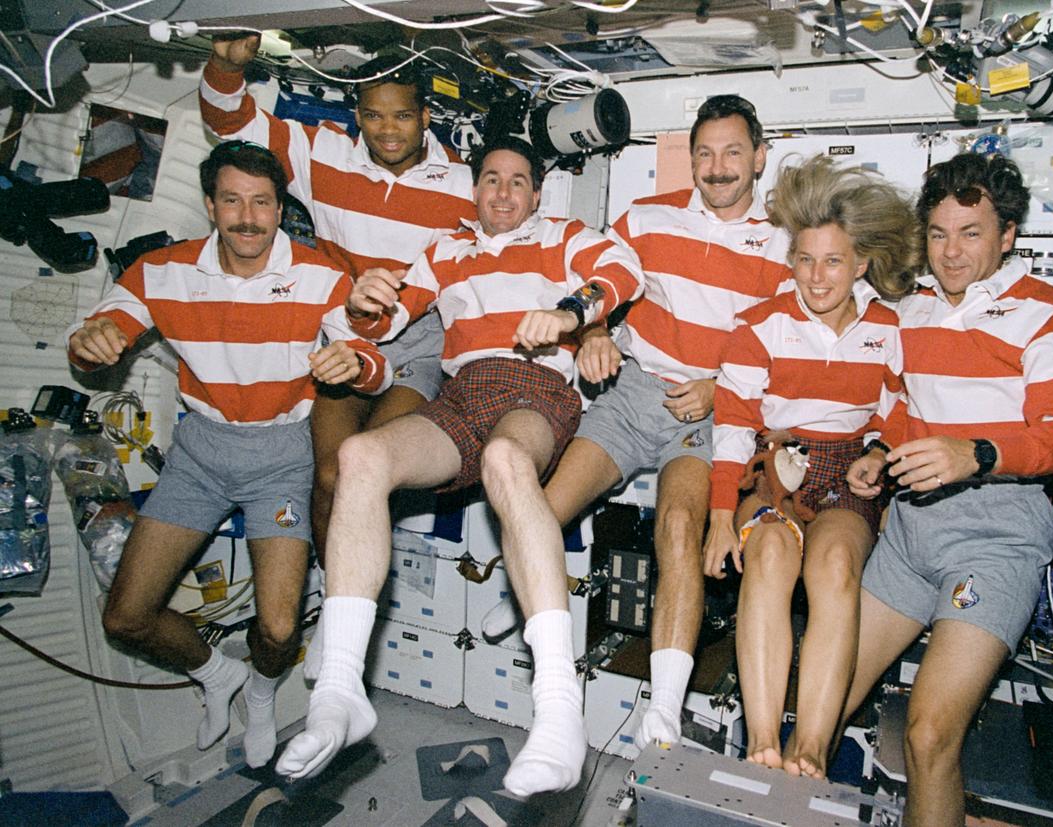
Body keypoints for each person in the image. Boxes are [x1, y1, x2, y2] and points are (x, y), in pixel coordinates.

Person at [275, 137, 643, 796]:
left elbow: (622, 269)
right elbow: (384, 320)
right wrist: (362, 303)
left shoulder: (563, 236)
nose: (504, 193)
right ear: (476, 190)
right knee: (358, 456)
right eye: (492, 180)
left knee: (506, 458)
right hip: (461, 393)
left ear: (536, 194)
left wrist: (569, 313)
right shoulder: (445, 250)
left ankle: (560, 715)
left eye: (519, 182)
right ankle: (340, 690)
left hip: (536, 388)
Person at [67, 141, 389, 770]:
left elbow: (375, 363)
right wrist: (89, 342)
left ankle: (263, 691)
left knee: (276, 630)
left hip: (282, 455)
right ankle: (217, 674)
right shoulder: (161, 271)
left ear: (279, 208)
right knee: (126, 618)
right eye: (233, 201)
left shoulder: (323, 275)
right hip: (201, 453)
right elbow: (100, 333)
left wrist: (357, 364)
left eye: (262, 202)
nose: (248, 217)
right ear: (211, 205)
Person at [839, 153, 1053, 826]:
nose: (950, 252)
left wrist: (979, 453)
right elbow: (899, 401)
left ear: (1008, 235)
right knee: (823, 693)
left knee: (929, 734)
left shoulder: (1047, 317)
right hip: (907, 533)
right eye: (938, 234)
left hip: (995, 535)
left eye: (970, 233)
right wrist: (879, 448)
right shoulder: (916, 309)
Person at [526, 94, 793, 752]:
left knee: (678, 529)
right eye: (704, 153)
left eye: (733, 152)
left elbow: (791, 348)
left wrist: (722, 386)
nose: (718, 167)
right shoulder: (645, 216)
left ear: (760, 157)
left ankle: (663, 712)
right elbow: (602, 282)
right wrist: (592, 331)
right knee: (538, 512)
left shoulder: (787, 242)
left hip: (714, 405)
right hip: (639, 387)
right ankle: (553, 687)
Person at [201, 36, 476, 568]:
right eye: (373, 116)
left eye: (401, 116)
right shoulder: (321, 153)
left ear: (425, 115)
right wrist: (224, 65)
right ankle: (334, 590)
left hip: (418, 343)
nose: (387, 130)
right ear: (358, 115)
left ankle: (353, 595)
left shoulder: (465, 183)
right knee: (328, 475)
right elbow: (230, 126)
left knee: (365, 469)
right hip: (344, 338)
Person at [702, 155, 919, 779]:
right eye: (804, 260)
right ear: (790, 260)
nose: (817, 277)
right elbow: (732, 430)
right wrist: (722, 517)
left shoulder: (890, 328)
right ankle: (763, 742)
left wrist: (878, 453)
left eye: (832, 261)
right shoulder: (758, 327)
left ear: (860, 264)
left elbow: (902, 407)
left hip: (848, 469)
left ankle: (812, 750)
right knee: (769, 556)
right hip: (778, 464)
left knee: (836, 566)